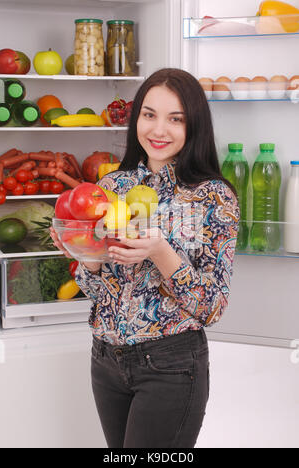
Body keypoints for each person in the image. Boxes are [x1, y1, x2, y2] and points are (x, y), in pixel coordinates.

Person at [50, 68, 239, 448]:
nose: (158, 130)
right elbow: (99, 289)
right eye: (149, 114)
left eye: (176, 119)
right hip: (106, 359)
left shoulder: (212, 197)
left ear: (194, 126)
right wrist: (83, 254)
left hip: (171, 365)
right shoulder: (111, 187)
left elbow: (211, 308)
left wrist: (161, 252)